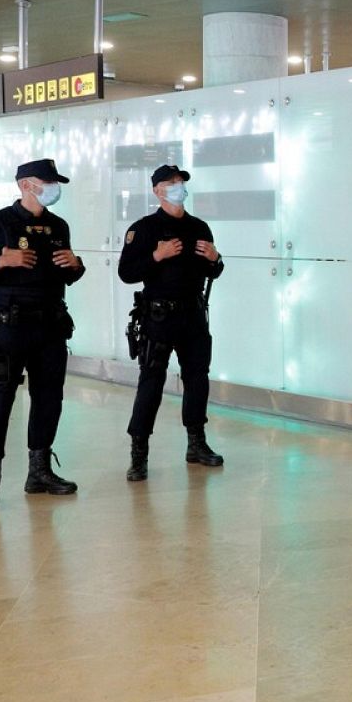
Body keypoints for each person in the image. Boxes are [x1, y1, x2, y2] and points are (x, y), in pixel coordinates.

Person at [0, 159, 83, 515]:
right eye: (47, 181)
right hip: (9, 328)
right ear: (26, 185)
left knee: (49, 398)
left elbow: (67, 275)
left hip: (51, 327)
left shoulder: (58, 226)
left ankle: (39, 472)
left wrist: (76, 265)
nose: (54, 187)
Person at [118, 164, 225, 480]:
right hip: (158, 317)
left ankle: (197, 443)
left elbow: (213, 272)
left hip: (192, 316)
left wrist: (214, 259)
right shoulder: (144, 229)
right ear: (157, 191)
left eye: (181, 182)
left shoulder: (199, 227)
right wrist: (156, 256)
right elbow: (127, 273)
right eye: (172, 183)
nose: (179, 187)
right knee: (151, 382)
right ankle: (139, 454)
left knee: (197, 379)